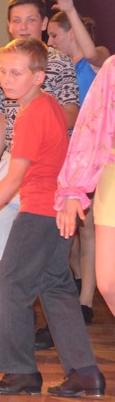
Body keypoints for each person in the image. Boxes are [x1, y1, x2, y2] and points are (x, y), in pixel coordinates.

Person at [0, 37, 104, 397]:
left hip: (39, 211)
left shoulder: (32, 114)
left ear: (38, 77)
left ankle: (20, 372)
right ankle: (86, 373)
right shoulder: (47, 105)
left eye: (17, 73)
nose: (7, 79)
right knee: (56, 286)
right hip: (55, 212)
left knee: (11, 285)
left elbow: (14, 179)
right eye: (4, 72)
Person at [0, 0, 79, 271]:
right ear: (9, 25)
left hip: (45, 162)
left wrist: (42, 126)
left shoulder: (59, 61)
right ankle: (11, 289)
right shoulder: (8, 61)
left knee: (39, 237)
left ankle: (26, 289)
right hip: (12, 156)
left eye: (30, 20)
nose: (23, 27)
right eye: (17, 20)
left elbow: (72, 112)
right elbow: (2, 118)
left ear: (44, 23)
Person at [48, 0, 111, 324]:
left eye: (54, 35)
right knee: (66, 230)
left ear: (72, 32)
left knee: (86, 230)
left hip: (91, 157)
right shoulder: (55, 67)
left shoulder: (97, 60)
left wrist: (70, 9)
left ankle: (86, 300)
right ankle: (77, 284)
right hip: (64, 152)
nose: (50, 41)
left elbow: (91, 54)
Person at [56, 56, 115, 324]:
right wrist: (72, 188)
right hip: (112, 174)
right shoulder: (112, 68)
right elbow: (91, 126)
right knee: (109, 282)